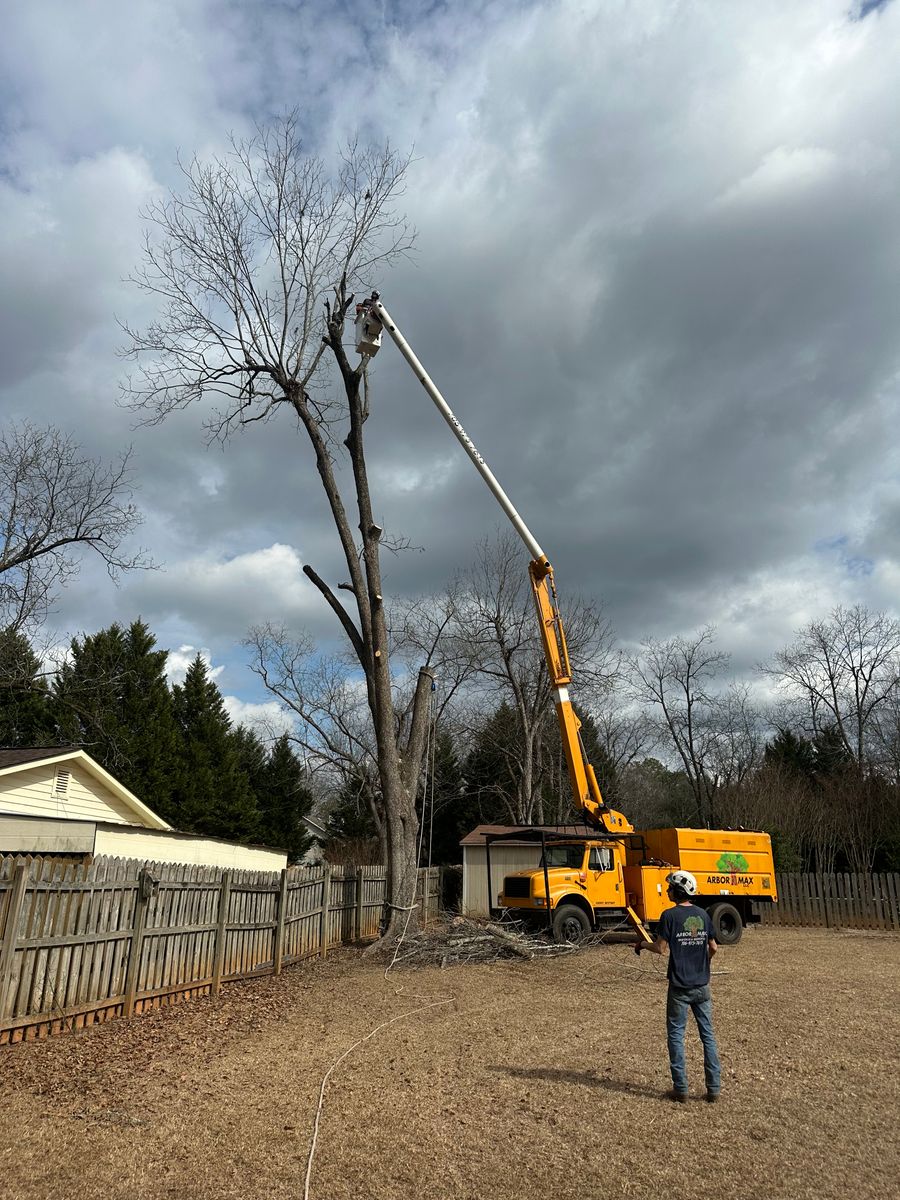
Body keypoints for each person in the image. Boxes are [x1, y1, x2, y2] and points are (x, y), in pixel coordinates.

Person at [635, 870, 721, 1103]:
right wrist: (704, 965)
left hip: (680, 987)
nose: (668, 891)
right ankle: (713, 1089)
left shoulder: (669, 916)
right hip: (702, 986)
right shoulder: (703, 915)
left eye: (670, 888)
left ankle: (680, 1089)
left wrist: (642, 944)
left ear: (678, 891)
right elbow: (713, 948)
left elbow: (661, 949)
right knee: (708, 1036)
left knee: (676, 1035)